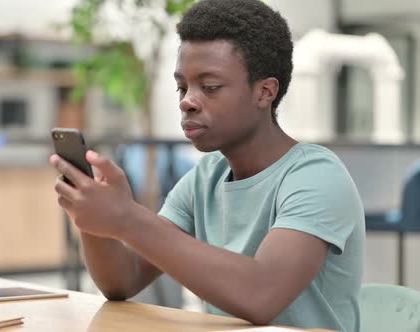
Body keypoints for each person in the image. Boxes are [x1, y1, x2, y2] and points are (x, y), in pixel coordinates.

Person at [49, 0, 365, 331]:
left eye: (209, 87)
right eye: (182, 86)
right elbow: (123, 281)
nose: (186, 101)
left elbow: (261, 295)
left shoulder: (316, 177)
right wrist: (95, 220)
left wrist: (127, 218)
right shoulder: (205, 177)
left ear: (265, 92)